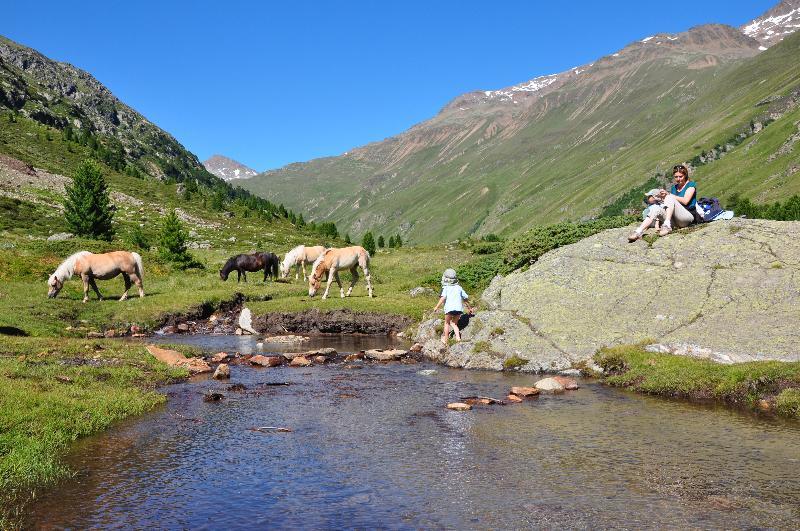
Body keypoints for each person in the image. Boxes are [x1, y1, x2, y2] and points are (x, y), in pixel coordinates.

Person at [432, 268, 474, 343]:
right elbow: (465, 299)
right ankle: (458, 338)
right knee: (454, 324)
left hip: (449, 309)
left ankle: (446, 340)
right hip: (459, 309)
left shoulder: (445, 288)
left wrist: (436, 307)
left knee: (447, 323)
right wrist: (470, 308)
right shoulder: (459, 288)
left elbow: (443, 298)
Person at [658, 164, 698, 236]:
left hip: (688, 216)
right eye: (676, 177)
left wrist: (669, 195)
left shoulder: (691, 185)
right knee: (657, 207)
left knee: (669, 197)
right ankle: (639, 231)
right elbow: (672, 203)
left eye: (680, 176)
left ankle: (667, 224)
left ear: (685, 175)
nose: (678, 179)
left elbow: (686, 201)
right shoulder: (674, 188)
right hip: (678, 218)